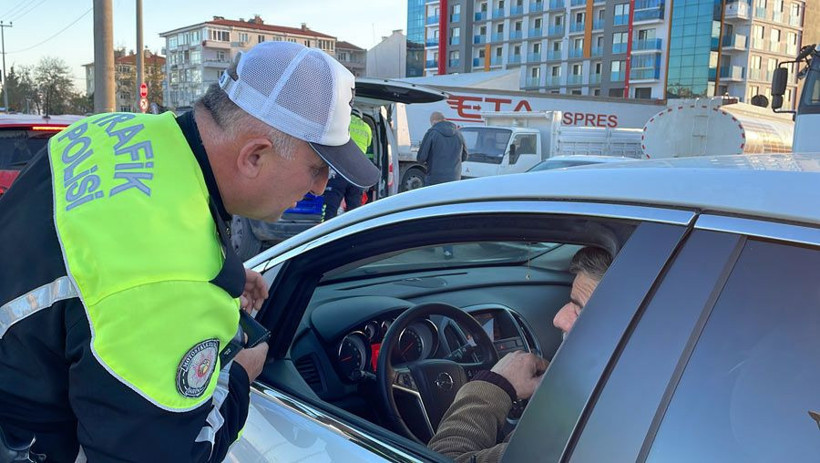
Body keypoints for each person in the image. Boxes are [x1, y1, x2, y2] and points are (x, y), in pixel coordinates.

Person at [0, 41, 379, 462]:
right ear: (255, 156)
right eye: (317, 168)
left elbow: (108, 238)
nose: (322, 188)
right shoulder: (168, 282)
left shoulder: (111, 129)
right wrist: (239, 375)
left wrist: (224, 270)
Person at [428, 246, 613, 463]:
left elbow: (443, 458)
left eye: (579, 309)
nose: (558, 319)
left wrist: (494, 384)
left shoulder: (567, 442)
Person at [417, 111, 468, 258]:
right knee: (448, 214)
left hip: (434, 179)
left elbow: (421, 157)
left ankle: (429, 245)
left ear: (433, 121)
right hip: (454, 181)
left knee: (430, 212)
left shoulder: (432, 133)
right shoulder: (458, 134)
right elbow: (465, 156)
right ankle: (448, 250)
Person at [323, 113, 373, 220]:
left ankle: (326, 231)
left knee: (331, 206)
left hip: (340, 170)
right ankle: (353, 232)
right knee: (354, 210)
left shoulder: (342, 122)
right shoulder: (366, 127)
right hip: (357, 174)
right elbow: (368, 144)